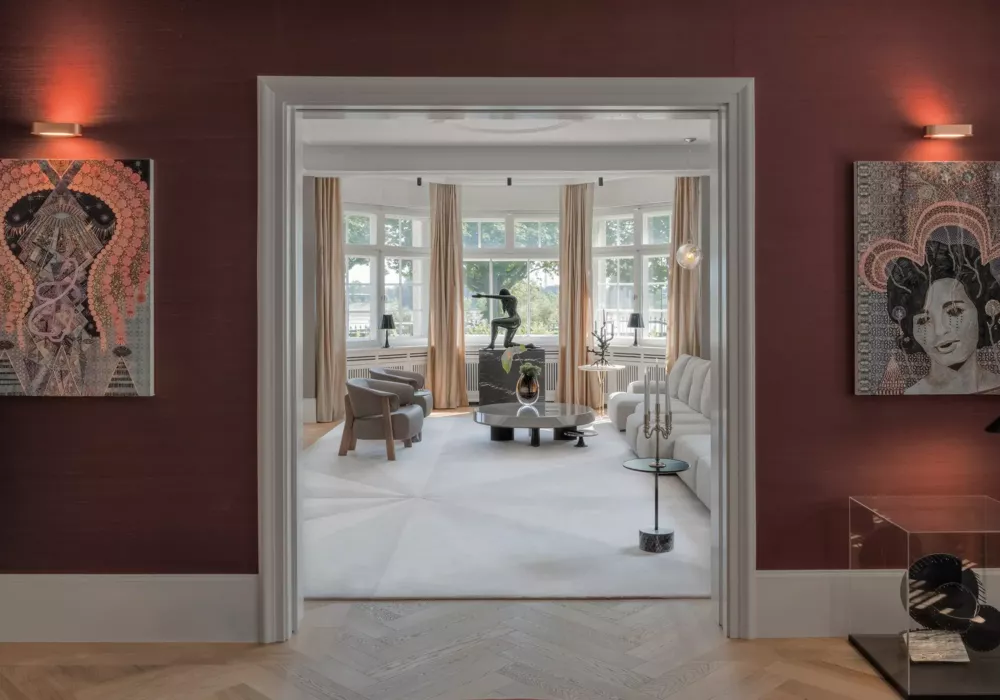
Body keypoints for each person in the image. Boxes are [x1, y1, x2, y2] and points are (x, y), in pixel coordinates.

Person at [888, 238, 1000, 394]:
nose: (940, 331)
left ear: (983, 310)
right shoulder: (909, 398)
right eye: (923, 320)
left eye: (954, 312)